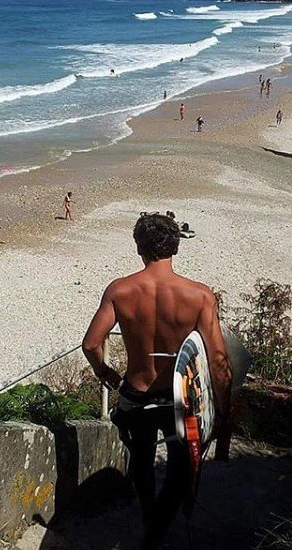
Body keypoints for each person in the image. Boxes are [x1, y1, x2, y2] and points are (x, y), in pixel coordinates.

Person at [82, 213, 232, 550]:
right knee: (181, 468)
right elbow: (219, 363)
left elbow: (91, 344)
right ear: (176, 246)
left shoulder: (120, 290)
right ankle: (156, 531)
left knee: (141, 457)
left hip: (135, 395)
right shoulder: (199, 295)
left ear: (138, 247)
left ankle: (149, 512)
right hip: (179, 399)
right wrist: (221, 411)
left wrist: (106, 373)